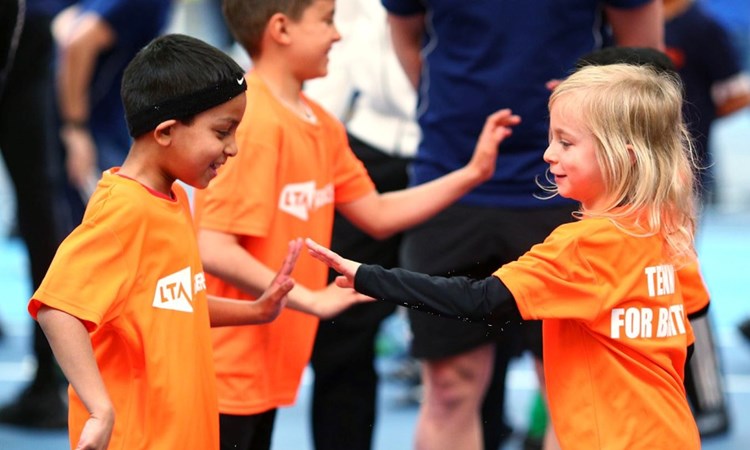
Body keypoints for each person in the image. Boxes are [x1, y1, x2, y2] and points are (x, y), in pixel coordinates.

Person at [307, 62, 705, 450]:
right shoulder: (661, 231)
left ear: (625, 156)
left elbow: (481, 300)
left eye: (566, 143)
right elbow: (687, 327)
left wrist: (369, 277)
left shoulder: (585, 245)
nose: (549, 154)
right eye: (551, 139)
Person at [192, 1, 520, 449]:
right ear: (281, 29)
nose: (338, 35)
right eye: (328, 21)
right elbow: (212, 245)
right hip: (225, 366)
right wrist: (309, 298)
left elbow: (378, 215)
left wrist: (472, 173)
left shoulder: (321, 123)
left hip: (264, 365)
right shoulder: (254, 122)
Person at [382, 1, 664, 449]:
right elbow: (404, 33)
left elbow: (645, 57)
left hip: (572, 186)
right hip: (451, 177)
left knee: (569, 385)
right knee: (449, 386)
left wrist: (584, 120)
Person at [26, 33, 304, 450]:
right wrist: (99, 407)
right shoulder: (123, 211)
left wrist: (255, 310)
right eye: (223, 131)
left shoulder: (172, 198)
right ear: (166, 131)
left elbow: (173, 305)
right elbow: (57, 308)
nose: (233, 148)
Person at [302, 0, 421, 448]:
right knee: (340, 328)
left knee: (478, 334)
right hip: (367, 141)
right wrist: (311, 130)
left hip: (470, 149)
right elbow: (336, 29)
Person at [663, 0, 750, 436]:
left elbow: (738, 91)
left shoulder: (700, 27)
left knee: (678, 281)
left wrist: (691, 124)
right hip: (618, 176)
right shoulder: (607, 19)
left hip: (683, 178)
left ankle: (710, 401)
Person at [0, 0, 73, 429]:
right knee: (41, 202)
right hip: (30, 20)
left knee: (41, 205)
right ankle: (52, 378)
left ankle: (52, 377)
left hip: (25, 24)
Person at [52, 0, 171, 207]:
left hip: (99, 117)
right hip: (96, 124)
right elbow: (78, 42)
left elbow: (62, 25)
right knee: (109, 211)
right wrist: (75, 127)